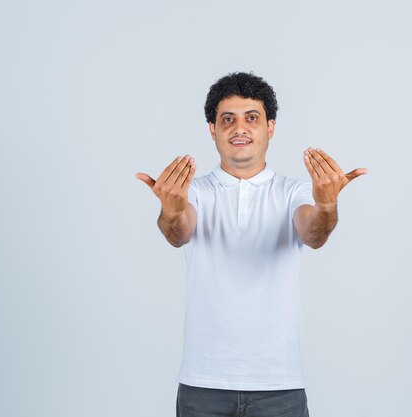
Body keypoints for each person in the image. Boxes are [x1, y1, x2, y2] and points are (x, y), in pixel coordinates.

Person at [135, 72, 367, 417]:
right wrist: (171, 208)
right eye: (227, 119)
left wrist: (327, 206)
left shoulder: (295, 191)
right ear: (212, 130)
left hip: (279, 385)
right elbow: (178, 233)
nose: (239, 128)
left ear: (270, 128)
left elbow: (313, 233)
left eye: (252, 118)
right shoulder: (195, 191)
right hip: (204, 384)